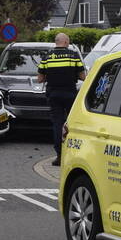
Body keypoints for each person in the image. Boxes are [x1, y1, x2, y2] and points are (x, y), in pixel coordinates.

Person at [37, 32, 86, 166]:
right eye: (68, 42)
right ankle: (73, 154)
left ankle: (59, 155)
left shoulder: (47, 57)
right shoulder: (73, 55)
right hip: (70, 94)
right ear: (65, 42)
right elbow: (83, 77)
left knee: (57, 124)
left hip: (53, 95)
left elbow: (40, 79)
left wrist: (51, 76)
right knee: (72, 124)